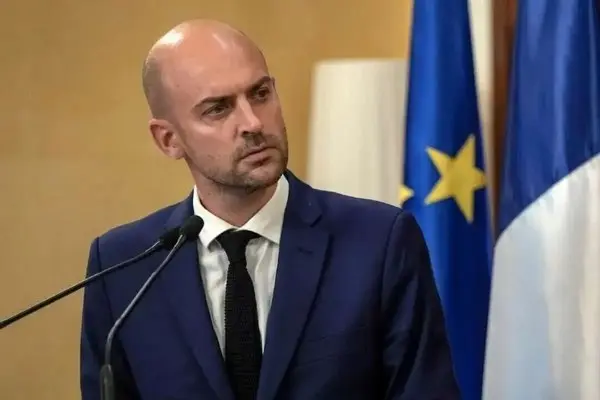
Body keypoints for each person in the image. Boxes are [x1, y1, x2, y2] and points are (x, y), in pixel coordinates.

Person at [79, 19, 460, 400]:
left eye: (260, 94)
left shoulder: (379, 242)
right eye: (218, 109)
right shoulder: (122, 267)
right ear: (168, 139)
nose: (253, 123)